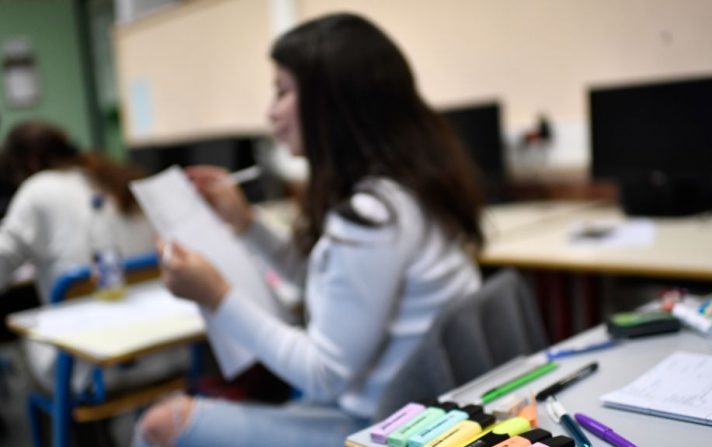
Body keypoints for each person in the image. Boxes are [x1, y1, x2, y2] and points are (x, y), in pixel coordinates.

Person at [134, 13, 485, 447]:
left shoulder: (374, 215)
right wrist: (248, 226)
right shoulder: (406, 191)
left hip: (370, 425)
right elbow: (336, 283)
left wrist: (215, 295)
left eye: (282, 92)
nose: (271, 113)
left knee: (158, 426)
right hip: (401, 409)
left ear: (331, 103)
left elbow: (324, 375)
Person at [0, 120, 186, 392]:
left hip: (98, 364)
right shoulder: (115, 175)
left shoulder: (38, 189)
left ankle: (73, 433)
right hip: (164, 350)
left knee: (27, 351)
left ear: (29, 163)